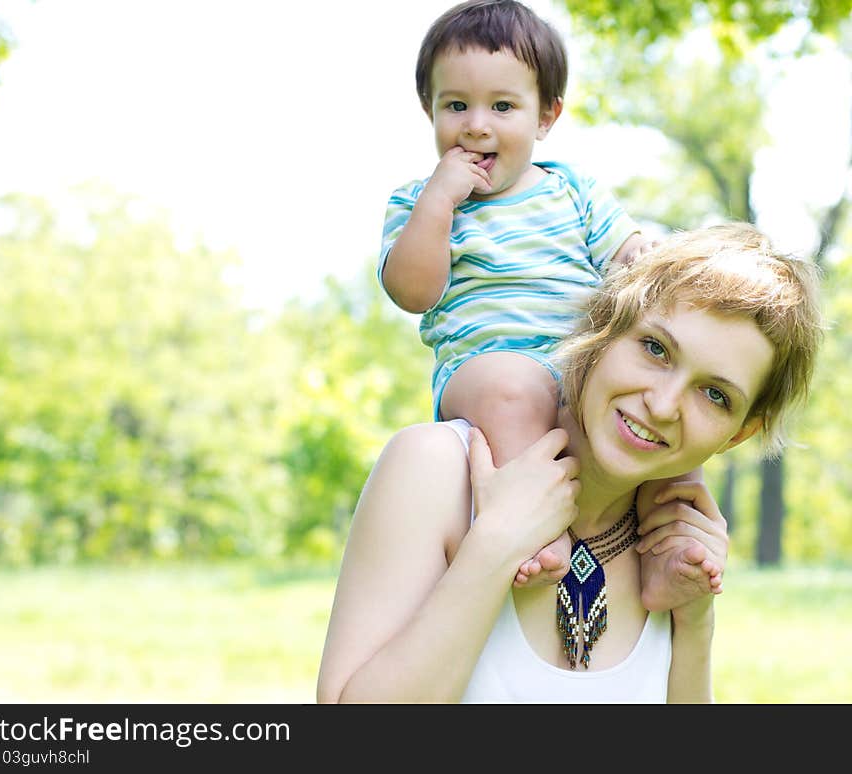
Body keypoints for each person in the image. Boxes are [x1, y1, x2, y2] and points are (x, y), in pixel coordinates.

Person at [317, 223, 822, 702]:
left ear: (739, 433)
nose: (664, 405)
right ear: (604, 326)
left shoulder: (673, 554)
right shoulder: (436, 471)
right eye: (655, 348)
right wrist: (495, 544)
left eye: (714, 394)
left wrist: (694, 618)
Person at [378, 0, 655, 581]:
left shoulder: (571, 189)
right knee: (515, 389)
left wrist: (646, 259)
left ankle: (668, 544)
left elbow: (629, 260)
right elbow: (412, 291)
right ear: (429, 110)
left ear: (545, 116)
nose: (477, 124)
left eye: (502, 106)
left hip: (580, 365)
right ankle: (532, 530)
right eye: (456, 106)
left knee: (660, 404)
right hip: (485, 368)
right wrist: (438, 201)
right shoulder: (417, 202)